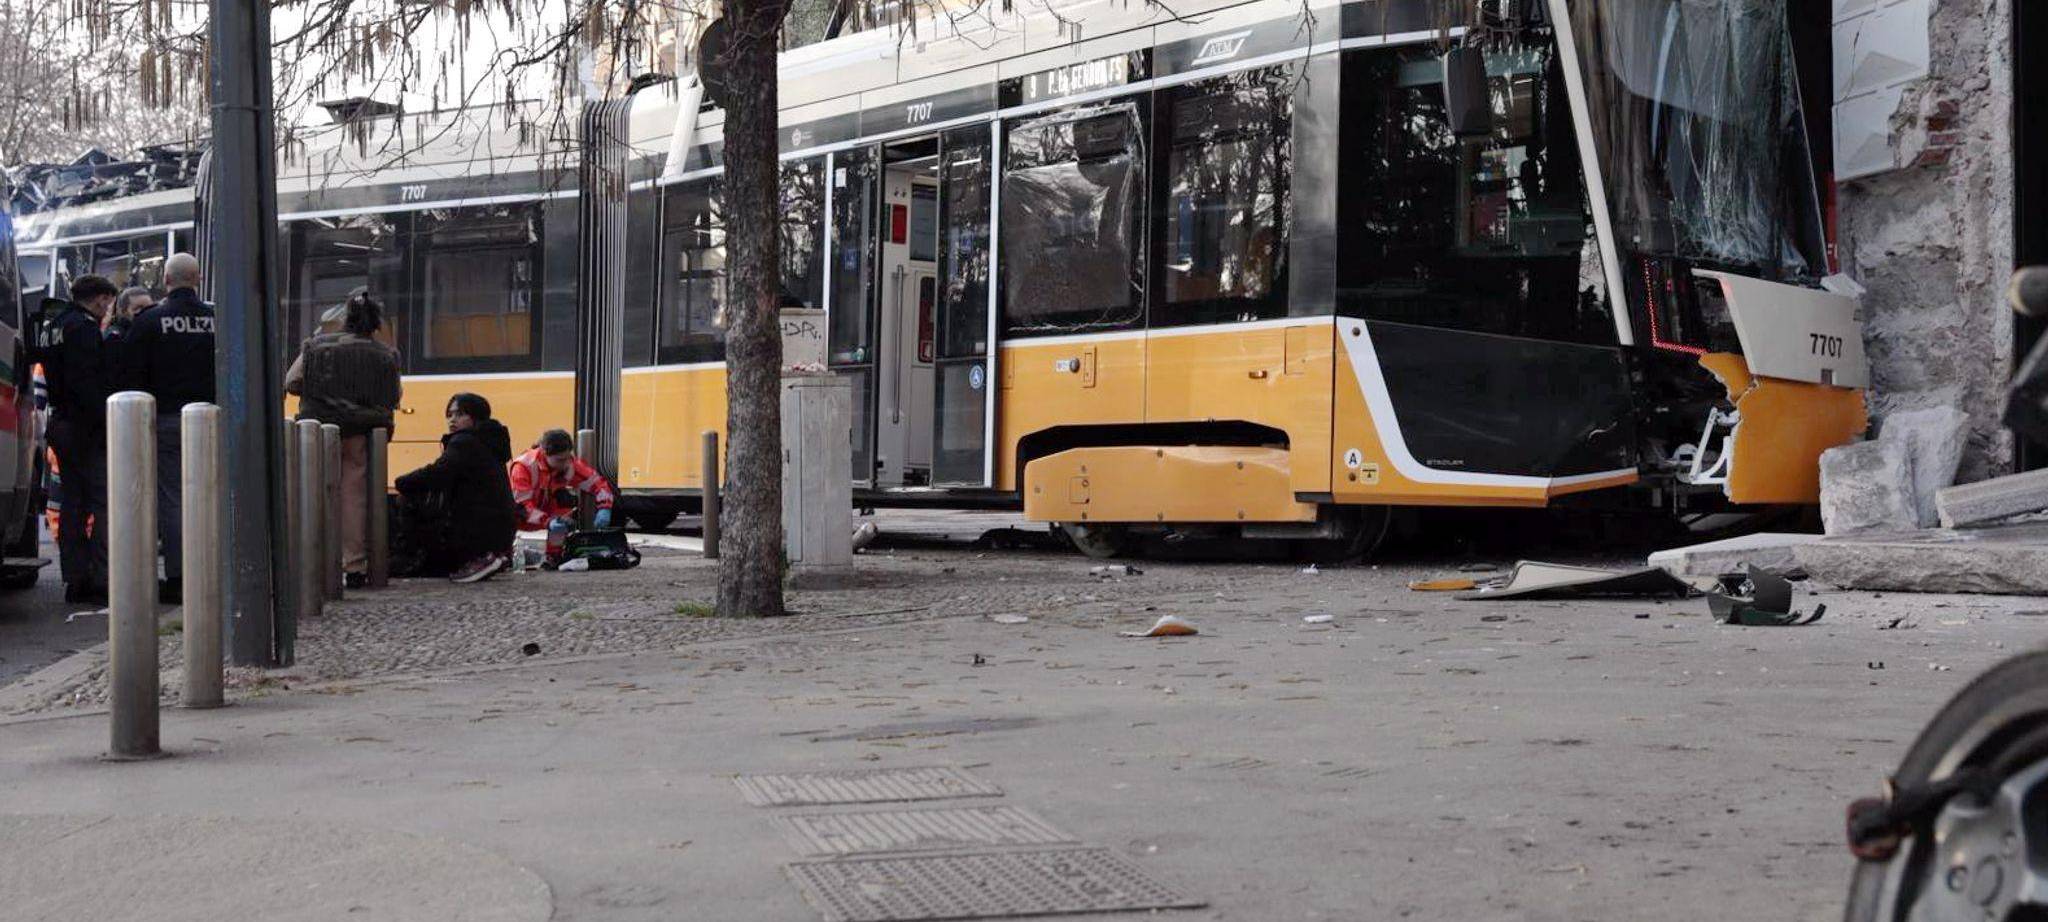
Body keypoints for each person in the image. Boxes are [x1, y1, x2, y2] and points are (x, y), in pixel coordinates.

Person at [285, 288, 402, 589]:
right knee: (354, 497)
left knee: (316, 491)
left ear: (345, 320)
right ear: (375, 324)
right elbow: (394, 396)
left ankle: (313, 559)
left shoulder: (315, 346)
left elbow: (292, 381)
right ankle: (354, 564)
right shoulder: (387, 354)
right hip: (362, 433)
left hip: (318, 430)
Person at [118, 253, 214, 603]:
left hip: (167, 420)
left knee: (173, 500)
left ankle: (179, 577)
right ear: (198, 279)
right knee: (212, 495)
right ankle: (214, 570)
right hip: (213, 420)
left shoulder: (150, 321)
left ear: (167, 281)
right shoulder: (216, 319)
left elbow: (129, 374)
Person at [38, 276, 116, 604]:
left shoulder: (54, 325)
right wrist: (107, 419)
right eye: (108, 302)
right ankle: (101, 576)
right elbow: (86, 382)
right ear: (99, 300)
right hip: (85, 426)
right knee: (101, 500)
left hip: (61, 422)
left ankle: (75, 576)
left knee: (72, 502)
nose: (108, 309)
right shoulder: (83, 329)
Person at [394, 393, 516, 583]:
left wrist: (401, 482)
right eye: (450, 415)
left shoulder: (465, 442)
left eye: (460, 414)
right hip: (499, 532)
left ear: (475, 416)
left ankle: (410, 558)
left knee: (407, 499)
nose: (452, 419)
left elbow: (437, 473)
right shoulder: (490, 440)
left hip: (475, 532)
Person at [509, 428, 616, 534]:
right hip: (521, 527)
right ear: (545, 453)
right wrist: (548, 522)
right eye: (560, 460)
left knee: (565, 500)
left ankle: (555, 549)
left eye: (567, 458)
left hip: (550, 523)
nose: (565, 464)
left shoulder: (568, 464)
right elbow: (522, 507)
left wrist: (605, 508)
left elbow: (598, 483)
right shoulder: (524, 467)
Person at [102, 287, 152, 363]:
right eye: (139, 308)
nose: (146, 312)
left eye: (150, 307)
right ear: (123, 311)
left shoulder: (153, 332)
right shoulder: (116, 338)